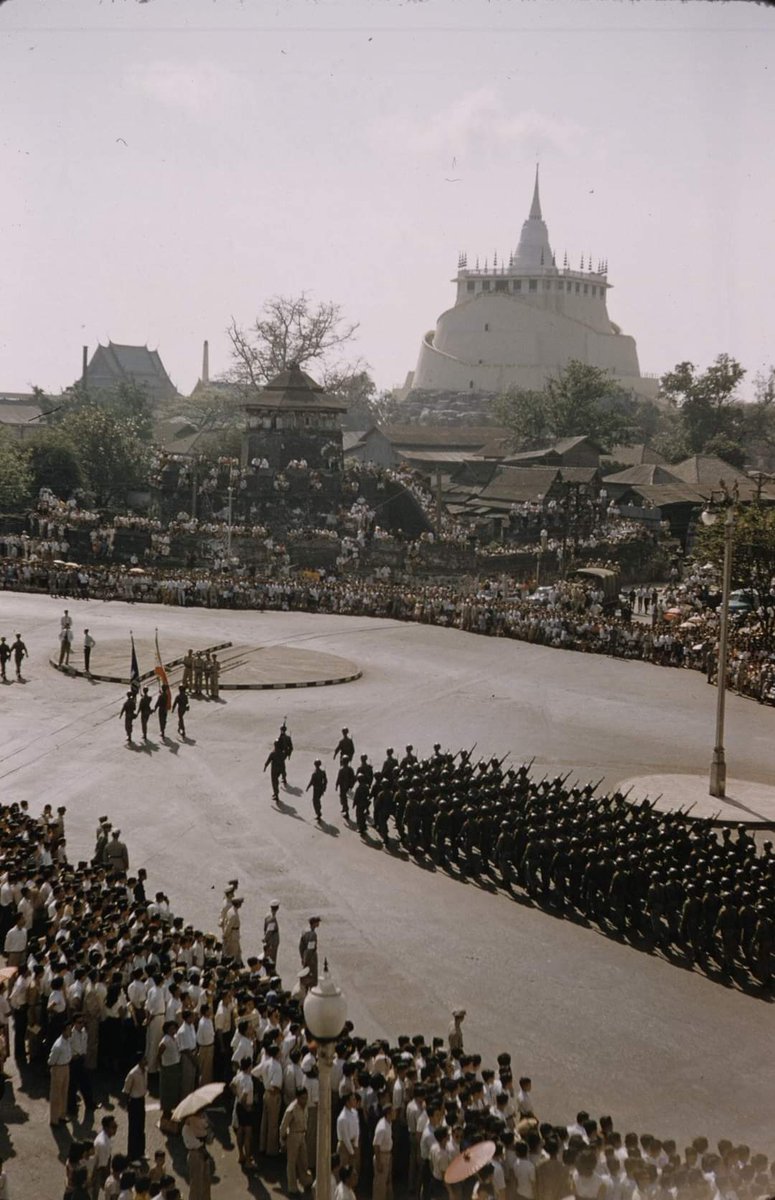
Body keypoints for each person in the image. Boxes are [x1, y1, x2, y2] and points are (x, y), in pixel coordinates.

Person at [280, 1087, 311, 1195]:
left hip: (302, 1134)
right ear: (297, 1097)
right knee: (292, 1163)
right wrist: (283, 1142)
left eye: (306, 1098)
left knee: (304, 1160)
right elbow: (283, 1127)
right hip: (293, 1135)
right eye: (303, 1098)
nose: (305, 1100)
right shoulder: (292, 1109)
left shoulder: (305, 1106)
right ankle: (292, 1187)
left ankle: (305, 1181)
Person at [122, 1052, 148, 1163]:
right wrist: (127, 1105)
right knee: (134, 1129)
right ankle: (132, 1156)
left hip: (141, 1100)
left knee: (141, 1128)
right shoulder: (133, 1074)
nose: (146, 1061)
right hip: (134, 1101)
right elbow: (126, 1091)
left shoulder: (145, 1071)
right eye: (144, 1059)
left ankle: (141, 1152)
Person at [48, 1020, 73, 1125]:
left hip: (66, 1067)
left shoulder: (67, 1041)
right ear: (63, 1031)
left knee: (64, 1093)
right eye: (68, 1030)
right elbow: (51, 1060)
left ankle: (61, 1115)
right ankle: (54, 1119)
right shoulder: (58, 1045)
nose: (71, 1031)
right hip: (58, 1068)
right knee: (56, 1095)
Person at [373, 1105, 394, 1200]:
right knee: (380, 1186)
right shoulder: (382, 1127)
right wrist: (378, 1162)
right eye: (393, 1111)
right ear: (388, 1114)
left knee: (387, 1182)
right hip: (381, 1156)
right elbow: (376, 1145)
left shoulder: (389, 1123)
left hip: (387, 1155)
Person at [299, 917, 321, 987]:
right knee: (312, 976)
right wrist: (306, 960)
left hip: (305, 955)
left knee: (305, 974)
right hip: (311, 958)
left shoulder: (304, 931)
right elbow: (310, 949)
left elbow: (300, 946)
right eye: (317, 922)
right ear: (314, 923)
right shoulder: (312, 934)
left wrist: (302, 957)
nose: (318, 924)